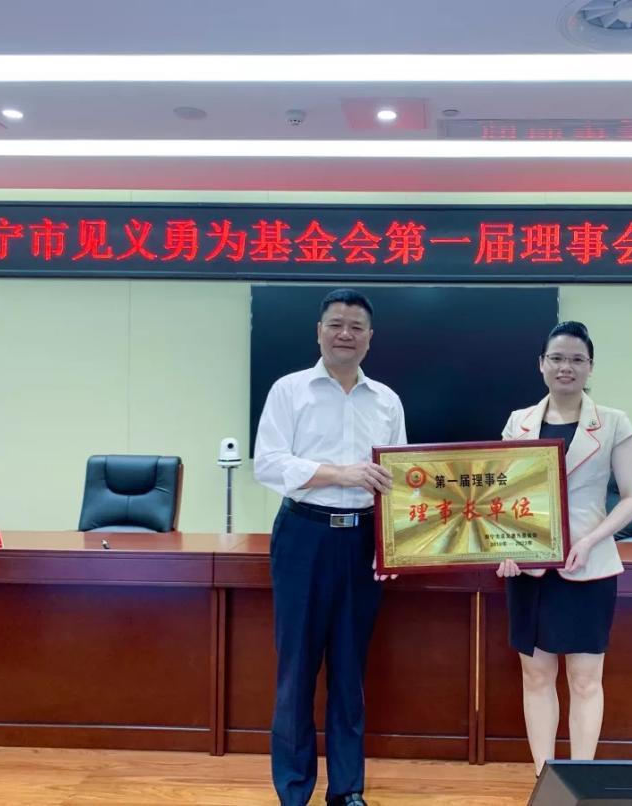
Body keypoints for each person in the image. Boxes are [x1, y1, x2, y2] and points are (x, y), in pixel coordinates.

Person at [254, 288, 406, 806]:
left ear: (370, 338)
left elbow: (400, 479)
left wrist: (390, 545)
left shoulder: (386, 400)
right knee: (296, 669)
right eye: (336, 324)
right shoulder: (289, 390)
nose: (346, 334)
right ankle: (293, 790)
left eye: (356, 326)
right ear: (319, 331)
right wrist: (341, 473)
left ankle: (346, 790)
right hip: (304, 535)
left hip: (363, 539)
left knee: (349, 671)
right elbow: (268, 463)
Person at [496, 320, 632, 775]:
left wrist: (592, 539)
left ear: (590, 367)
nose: (566, 367)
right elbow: (500, 495)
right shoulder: (518, 422)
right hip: (529, 566)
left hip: (588, 566)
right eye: (557, 358)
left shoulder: (614, 422)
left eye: (577, 359)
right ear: (541, 364)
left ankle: (580, 784)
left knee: (584, 680)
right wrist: (503, 545)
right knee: (536, 676)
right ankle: (545, 780)